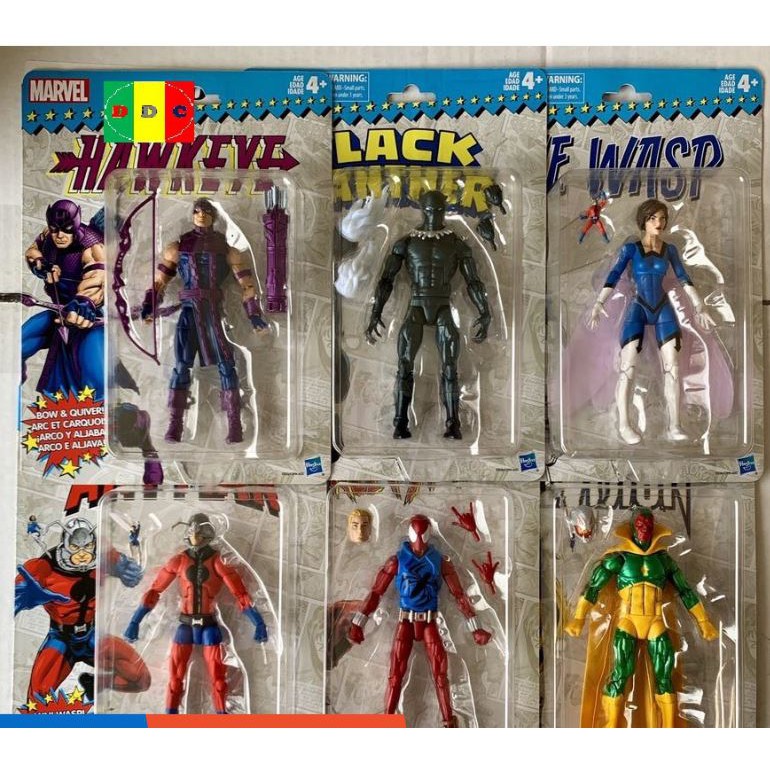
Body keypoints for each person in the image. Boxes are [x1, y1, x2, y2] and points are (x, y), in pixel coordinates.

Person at [564, 506, 718, 728]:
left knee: (664, 674)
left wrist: (704, 622)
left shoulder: (664, 560)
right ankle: (612, 722)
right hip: (628, 621)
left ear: (653, 526)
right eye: (640, 524)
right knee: (620, 673)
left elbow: (685, 591)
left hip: (655, 621)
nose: (644, 528)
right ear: (633, 527)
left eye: (647, 524)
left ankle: (669, 725)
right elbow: (593, 587)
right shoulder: (619, 558)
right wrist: (579, 618)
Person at [365, 190, 490, 440]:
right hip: (417, 304)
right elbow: (386, 280)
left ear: (444, 210)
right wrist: (375, 313)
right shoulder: (406, 242)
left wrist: (485, 312)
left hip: (443, 304)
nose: (434, 214)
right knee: (404, 365)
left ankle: (453, 424)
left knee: (450, 367)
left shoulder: (456, 243)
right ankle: (400, 423)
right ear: (423, 210)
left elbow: (474, 281)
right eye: (430, 210)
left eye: (438, 210)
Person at [141, 199, 267, 444]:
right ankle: (175, 424)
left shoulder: (228, 250)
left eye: (206, 211)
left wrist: (254, 316)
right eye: (196, 211)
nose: (200, 215)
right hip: (189, 312)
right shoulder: (177, 248)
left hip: (213, 313)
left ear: (214, 216)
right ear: (192, 215)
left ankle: (235, 425)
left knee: (227, 365)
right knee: (181, 366)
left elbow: (247, 286)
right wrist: (149, 305)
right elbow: (159, 282)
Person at [589, 198, 714, 444]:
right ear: (643, 221)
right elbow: (614, 275)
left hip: (662, 308)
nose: (659, 223)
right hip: (638, 306)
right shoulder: (631, 249)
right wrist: (598, 303)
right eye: (653, 218)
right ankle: (624, 424)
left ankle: (674, 425)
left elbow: (684, 278)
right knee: (627, 368)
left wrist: (700, 306)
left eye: (663, 218)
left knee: (673, 368)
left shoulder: (670, 250)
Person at [347, 514, 491, 727]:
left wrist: (475, 627)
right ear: (410, 534)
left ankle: (448, 721)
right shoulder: (397, 560)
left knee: (440, 674)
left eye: (423, 535)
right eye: (417, 535)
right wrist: (358, 622)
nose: (419, 540)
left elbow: (459, 595)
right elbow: (376, 592)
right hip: (406, 620)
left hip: (429, 621)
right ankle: (387, 719)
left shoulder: (440, 561)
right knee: (396, 674)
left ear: (429, 534)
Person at [123, 513, 268, 714]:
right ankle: (171, 714)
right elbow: (155, 591)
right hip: (186, 625)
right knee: (175, 679)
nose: (195, 536)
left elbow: (240, 593)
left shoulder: (218, 561)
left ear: (208, 534)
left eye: (199, 532)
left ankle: (222, 715)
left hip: (209, 626)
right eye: (191, 532)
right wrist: (135, 622)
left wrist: (258, 622)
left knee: (219, 681)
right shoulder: (179, 561)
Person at [15, 517, 145, 702]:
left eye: (87, 546)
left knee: (140, 678)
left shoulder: (103, 557)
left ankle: (96, 684)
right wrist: (25, 593)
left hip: (91, 636)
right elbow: (16, 592)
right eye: (75, 547)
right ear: (65, 545)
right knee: (36, 702)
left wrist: (130, 565)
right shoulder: (45, 566)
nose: (83, 553)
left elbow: (133, 573)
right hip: (61, 640)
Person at [22, 200, 105, 399]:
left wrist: (84, 302)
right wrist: (40, 264)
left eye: (66, 229)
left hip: (87, 319)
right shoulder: (48, 235)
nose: (59, 235)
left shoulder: (91, 245)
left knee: (96, 382)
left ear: (75, 225)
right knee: (14, 349)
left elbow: (97, 276)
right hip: (57, 313)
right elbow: (32, 251)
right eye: (54, 229)